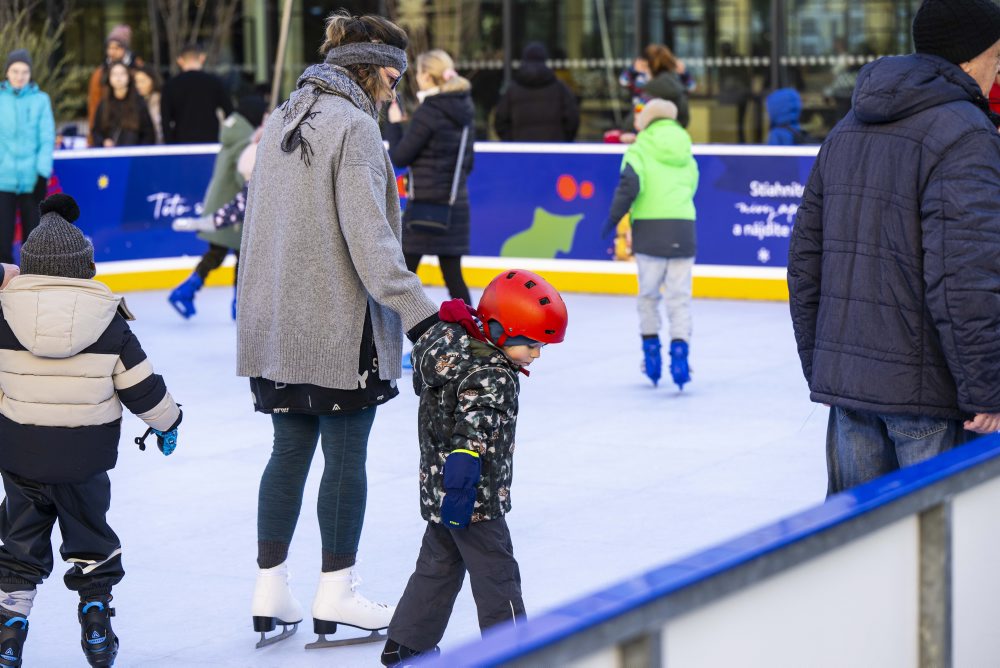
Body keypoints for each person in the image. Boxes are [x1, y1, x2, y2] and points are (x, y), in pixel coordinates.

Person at [237, 11, 440, 648]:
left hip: (277, 327)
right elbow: (372, 242)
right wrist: (423, 318)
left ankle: (269, 588)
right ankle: (337, 593)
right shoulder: (353, 126)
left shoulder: (286, 117)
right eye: (394, 74)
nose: (397, 88)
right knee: (345, 457)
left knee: (288, 451)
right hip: (337, 326)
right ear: (373, 67)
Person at [788, 0, 1000, 497]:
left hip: (851, 392)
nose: (999, 67)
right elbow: (966, 278)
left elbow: (804, 258)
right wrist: (987, 387)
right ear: (970, 57)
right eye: (997, 53)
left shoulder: (846, 129)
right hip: (927, 398)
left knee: (857, 551)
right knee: (933, 553)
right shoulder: (966, 135)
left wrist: (825, 368)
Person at [0, 194, 182, 667]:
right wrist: (169, 421)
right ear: (86, 267)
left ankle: (8, 632)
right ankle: (97, 621)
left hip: (19, 457)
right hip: (84, 462)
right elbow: (143, 388)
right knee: (91, 540)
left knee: (19, 546)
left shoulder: (3, 316)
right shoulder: (109, 323)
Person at [380, 269, 568, 666]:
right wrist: (464, 494)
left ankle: (405, 646)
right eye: (531, 345)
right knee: (497, 575)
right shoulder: (492, 375)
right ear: (501, 331)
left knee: (437, 567)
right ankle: (514, 652)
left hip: (438, 491)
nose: (536, 354)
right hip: (473, 498)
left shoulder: (451, 346)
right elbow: (472, 438)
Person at [601, 99, 698, 391]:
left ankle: (651, 356)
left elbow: (629, 186)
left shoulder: (639, 148)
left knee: (648, 296)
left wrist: (612, 219)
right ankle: (680, 356)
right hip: (683, 227)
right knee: (679, 298)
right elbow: (692, 185)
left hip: (650, 229)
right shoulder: (686, 149)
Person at [387, 49, 474, 306]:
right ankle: (473, 337)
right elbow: (467, 163)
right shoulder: (465, 110)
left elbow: (401, 156)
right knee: (454, 278)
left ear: (427, 76)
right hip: (454, 205)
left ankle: (383, 339)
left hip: (425, 206)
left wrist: (394, 123)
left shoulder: (429, 111)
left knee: (402, 276)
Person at [167, 94, 266, 319]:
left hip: (220, 204)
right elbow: (246, 176)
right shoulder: (244, 142)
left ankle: (187, 290)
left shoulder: (232, 136)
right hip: (234, 209)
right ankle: (239, 306)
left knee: (217, 253)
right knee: (243, 256)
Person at [0, 49, 54, 265]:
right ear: (7, 72)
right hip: (3, 178)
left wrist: (42, 174)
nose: (19, 76)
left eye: (24, 71)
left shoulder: (41, 100)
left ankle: (31, 279)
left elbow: (46, 138)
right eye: (15, 70)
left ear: (30, 74)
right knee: (2, 236)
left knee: (33, 237)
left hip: (32, 180)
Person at [494, 42, 579, 142]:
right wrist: (562, 141)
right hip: (553, 151)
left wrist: (513, 142)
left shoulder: (512, 90)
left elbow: (500, 121)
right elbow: (573, 119)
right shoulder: (560, 88)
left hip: (521, 152)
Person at [160, 43, 233, 144]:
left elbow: (165, 120)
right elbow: (230, 112)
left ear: (180, 60)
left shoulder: (170, 85)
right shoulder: (214, 82)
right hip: (210, 140)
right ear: (202, 58)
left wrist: (170, 144)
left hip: (181, 142)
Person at [87, 25, 140, 136]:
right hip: (108, 131)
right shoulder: (99, 74)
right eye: (109, 48)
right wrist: (93, 138)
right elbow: (94, 106)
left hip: (134, 130)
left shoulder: (138, 69)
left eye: (117, 48)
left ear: (125, 48)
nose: (112, 52)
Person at [90, 62, 156, 148]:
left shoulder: (139, 103)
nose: (118, 78)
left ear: (128, 77)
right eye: (114, 74)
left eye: (122, 74)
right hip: (110, 155)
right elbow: (96, 131)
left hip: (134, 156)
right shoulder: (103, 104)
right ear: (109, 78)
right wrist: (103, 142)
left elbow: (149, 133)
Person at [132, 63, 163, 144]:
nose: (138, 85)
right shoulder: (135, 102)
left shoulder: (161, 101)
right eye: (136, 82)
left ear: (153, 80)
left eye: (142, 81)